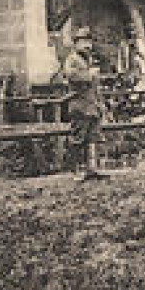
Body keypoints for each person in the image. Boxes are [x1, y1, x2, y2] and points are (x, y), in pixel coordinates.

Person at [63, 29, 108, 180]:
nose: (87, 46)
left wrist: (101, 103)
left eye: (89, 42)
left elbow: (96, 87)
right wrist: (90, 75)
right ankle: (75, 171)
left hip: (92, 105)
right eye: (83, 42)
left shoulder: (88, 61)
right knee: (78, 138)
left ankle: (92, 169)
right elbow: (71, 75)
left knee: (92, 138)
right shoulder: (72, 59)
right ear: (75, 44)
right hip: (79, 105)